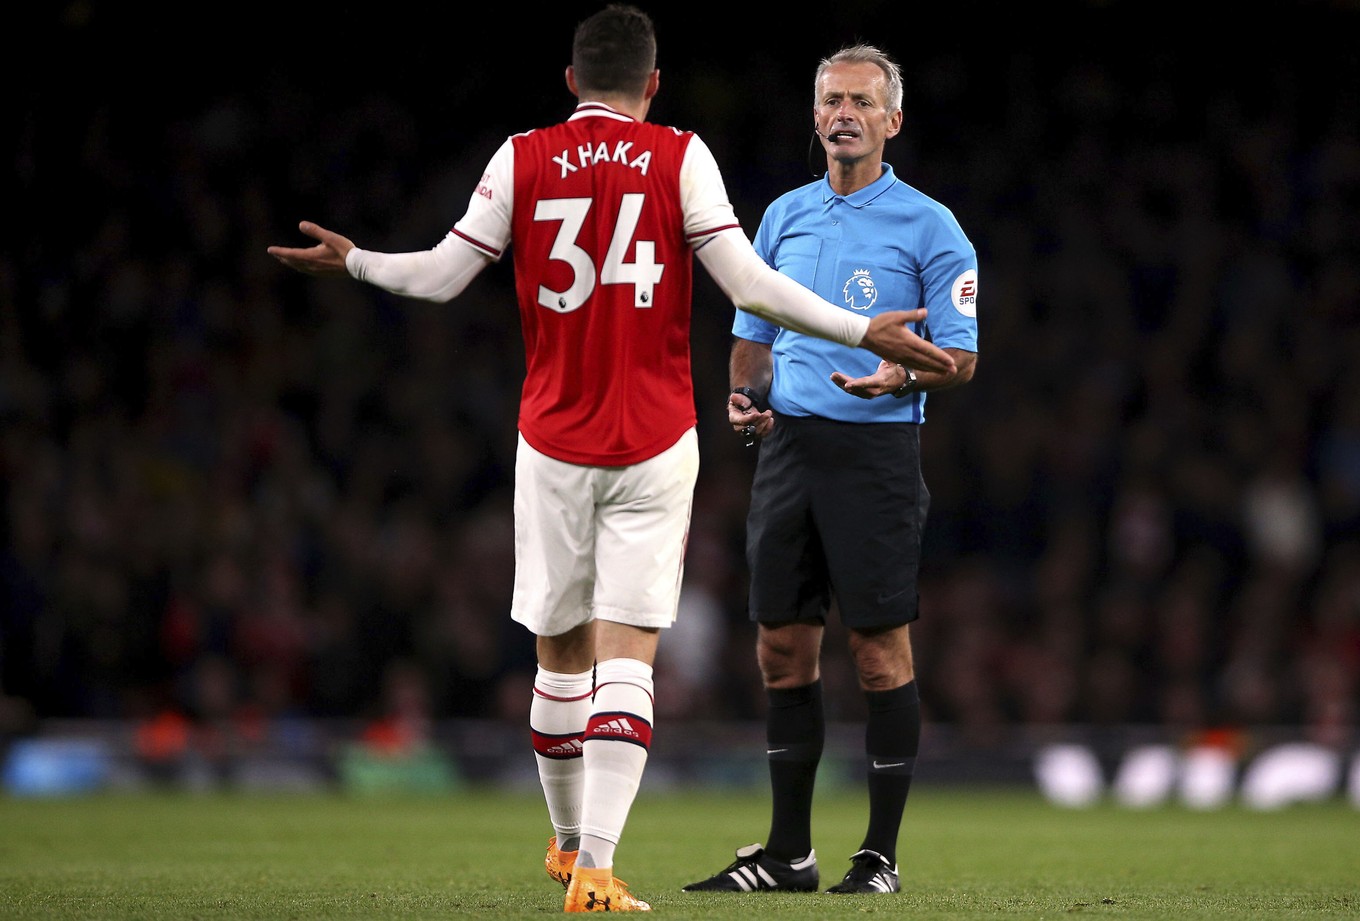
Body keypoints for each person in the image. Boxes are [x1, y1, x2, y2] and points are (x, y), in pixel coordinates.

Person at [266, 7, 954, 914]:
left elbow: (436, 275)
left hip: (550, 438)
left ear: (570, 80)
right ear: (654, 85)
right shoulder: (680, 155)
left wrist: (356, 263)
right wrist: (862, 326)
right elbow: (749, 285)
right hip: (656, 437)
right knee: (629, 653)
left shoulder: (521, 156)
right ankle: (594, 865)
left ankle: (562, 847)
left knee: (557, 658)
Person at [683, 43, 977, 897]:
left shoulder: (932, 227)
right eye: (830, 101)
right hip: (789, 452)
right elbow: (753, 331)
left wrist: (902, 374)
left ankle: (878, 857)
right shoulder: (780, 217)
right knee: (780, 646)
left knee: (880, 652)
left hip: (876, 455)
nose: (843, 114)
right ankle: (788, 856)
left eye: (860, 102)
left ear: (892, 120)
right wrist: (743, 394)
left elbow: (960, 358)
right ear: (814, 116)